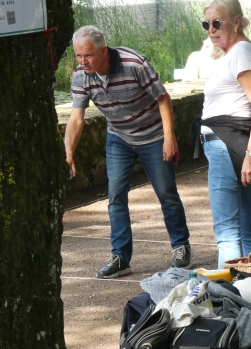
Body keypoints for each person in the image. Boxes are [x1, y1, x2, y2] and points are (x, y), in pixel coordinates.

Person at [64, 25, 192, 278]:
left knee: (166, 192)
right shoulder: (81, 75)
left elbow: (163, 99)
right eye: (78, 56)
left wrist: (169, 138)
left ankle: (181, 246)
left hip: (153, 135)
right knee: (115, 196)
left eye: (88, 55)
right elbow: (76, 118)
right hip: (119, 137)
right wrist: (68, 153)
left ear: (103, 51)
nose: (83, 61)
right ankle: (121, 257)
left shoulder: (134, 64)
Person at [191, 0, 251, 268]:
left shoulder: (241, 52)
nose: (211, 30)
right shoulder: (234, 53)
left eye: (217, 23)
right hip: (228, 145)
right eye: (206, 24)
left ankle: (229, 291)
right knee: (246, 226)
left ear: (236, 22)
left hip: (227, 145)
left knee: (227, 233)